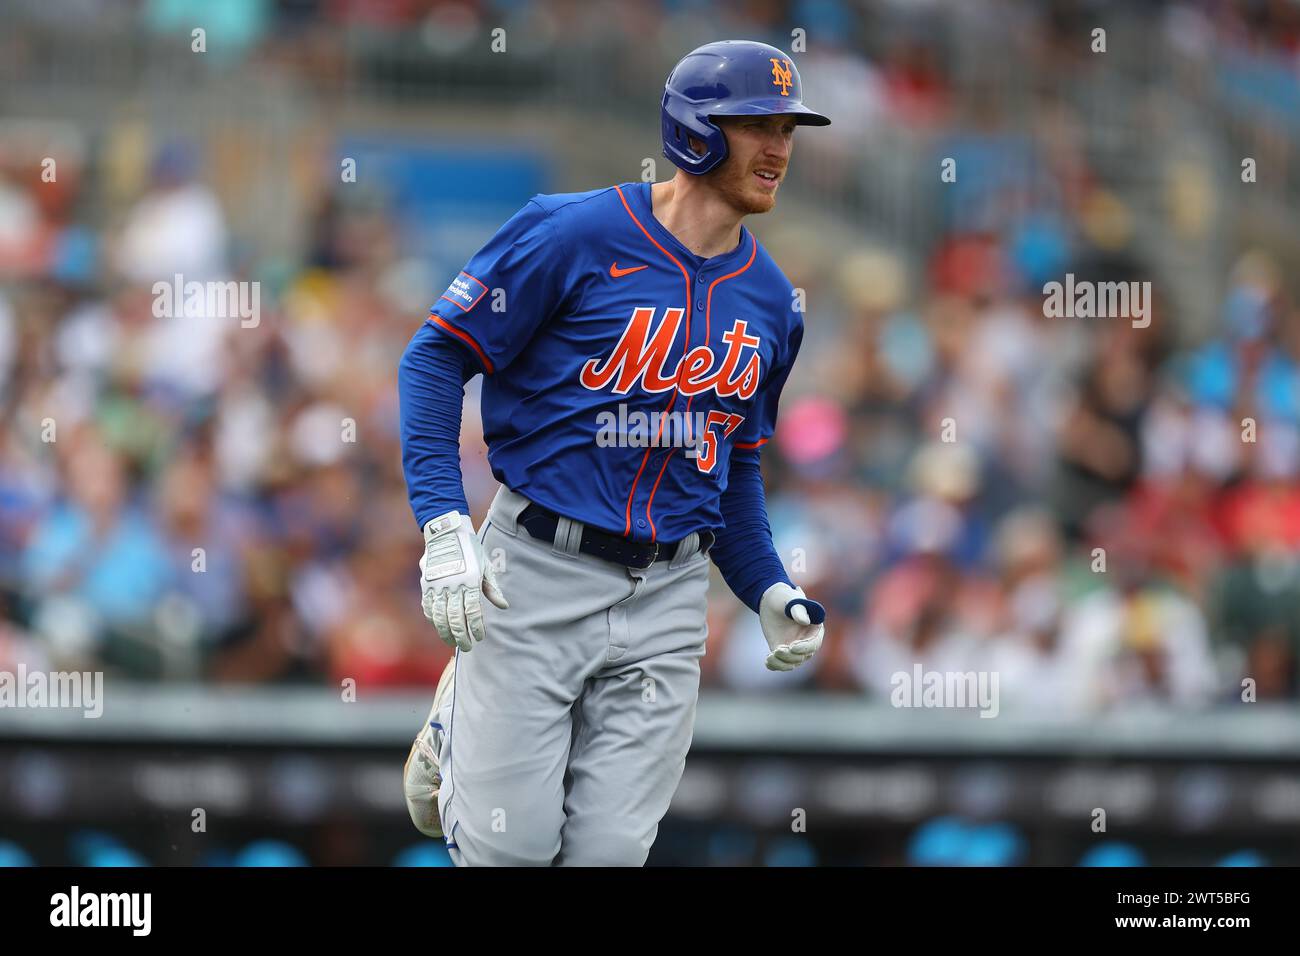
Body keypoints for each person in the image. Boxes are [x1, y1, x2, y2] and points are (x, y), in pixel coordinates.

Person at [398, 40, 829, 867]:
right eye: (757, 125)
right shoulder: (574, 232)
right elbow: (436, 354)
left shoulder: (773, 299)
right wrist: (443, 521)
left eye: (788, 127)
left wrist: (766, 582)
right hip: (535, 569)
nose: (779, 148)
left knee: (605, 859)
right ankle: (458, 722)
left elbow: (730, 466)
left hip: (671, 594)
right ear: (698, 131)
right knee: (513, 854)